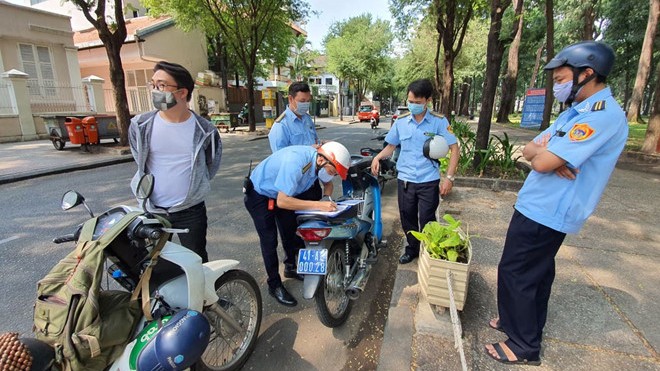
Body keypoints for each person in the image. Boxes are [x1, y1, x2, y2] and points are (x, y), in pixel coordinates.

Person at [484, 41, 628, 366]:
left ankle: (523, 345)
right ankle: (515, 322)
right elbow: (530, 149)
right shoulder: (576, 113)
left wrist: (548, 155)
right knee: (533, 272)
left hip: (550, 210)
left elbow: (540, 162)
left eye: (562, 78)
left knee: (518, 273)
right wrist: (546, 154)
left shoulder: (602, 116)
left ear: (586, 73)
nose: (557, 85)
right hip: (538, 204)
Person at [129, 61, 222, 263]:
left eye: (161, 85)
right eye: (153, 85)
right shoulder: (141, 125)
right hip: (152, 209)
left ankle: (199, 296)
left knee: (196, 261)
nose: (155, 90)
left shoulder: (205, 130)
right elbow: (140, 159)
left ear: (182, 92)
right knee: (153, 264)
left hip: (191, 210)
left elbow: (210, 165)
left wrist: (194, 188)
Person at [244, 142, 351, 306]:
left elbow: (327, 184)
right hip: (260, 195)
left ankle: (291, 268)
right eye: (332, 171)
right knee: (269, 240)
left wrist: (324, 199)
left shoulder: (318, 161)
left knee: (291, 231)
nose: (332, 176)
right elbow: (282, 201)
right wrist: (319, 206)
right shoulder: (296, 162)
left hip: (283, 194)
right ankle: (274, 285)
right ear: (323, 161)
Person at [371, 79, 459, 265]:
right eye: (410, 101)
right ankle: (412, 249)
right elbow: (391, 145)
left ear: (427, 100)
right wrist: (378, 157)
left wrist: (449, 178)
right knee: (407, 218)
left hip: (429, 180)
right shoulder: (401, 122)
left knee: (427, 218)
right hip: (406, 180)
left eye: (417, 103)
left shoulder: (439, 121)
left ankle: (428, 252)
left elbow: (454, 148)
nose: (413, 105)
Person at [268, 81, 332, 200]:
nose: (306, 104)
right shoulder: (281, 126)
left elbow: (314, 141)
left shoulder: (307, 119)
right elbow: (280, 159)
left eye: (308, 101)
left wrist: (322, 145)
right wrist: (309, 149)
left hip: (312, 181)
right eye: (302, 101)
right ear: (291, 99)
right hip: (295, 186)